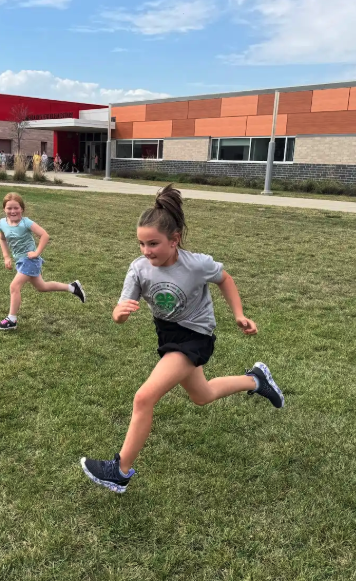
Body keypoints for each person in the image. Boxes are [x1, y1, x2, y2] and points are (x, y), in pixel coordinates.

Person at [80, 184, 284, 493]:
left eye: (154, 243)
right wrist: (119, 313)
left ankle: (119, 472)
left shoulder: (196, 264)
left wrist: (239, 314)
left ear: (174, 240)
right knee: (202, 395)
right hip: (169, 335)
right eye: (141, 244)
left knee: (143, 398)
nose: (147, 251)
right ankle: (256, 380)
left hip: (196, 336)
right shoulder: (138, 269)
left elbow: (224, 279)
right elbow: (118, 314)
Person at [0, 192, 86, 331]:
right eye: (9, 208)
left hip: (30, 260)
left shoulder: (26, 222)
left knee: (14, 287)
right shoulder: (2, 223)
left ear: (22, 209)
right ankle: (72, 287)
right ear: (4, 209)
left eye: (16, 208)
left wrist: (36, 252)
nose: (13, 211)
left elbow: (44, 235)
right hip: (20, 261)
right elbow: (2, 239)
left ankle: (11, 319)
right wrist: (6, 257)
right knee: (42, 287)